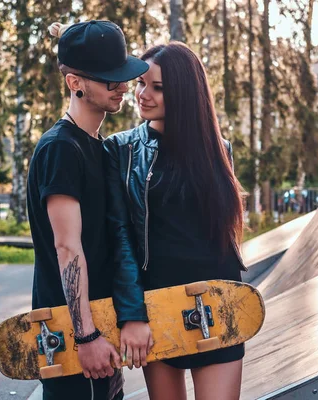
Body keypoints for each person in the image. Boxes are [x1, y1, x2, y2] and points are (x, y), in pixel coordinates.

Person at [103, 42, 247, 400]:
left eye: (158, 87)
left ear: (185, 92)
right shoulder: (121, 150)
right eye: (140, 84)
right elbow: (120, 239)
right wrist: (132, 314)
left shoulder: (218, 148)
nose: (142, 94)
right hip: (158, 306)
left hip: (217, 302)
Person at [27, 20, 148, 400]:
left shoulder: (96, 146)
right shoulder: (61, 149)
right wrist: (87, 337)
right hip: (71, 338)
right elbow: (67, 249)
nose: (124, 87)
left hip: (98, 332)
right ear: (74, 83)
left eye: (123, 77)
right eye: (110, 80)